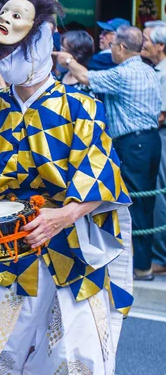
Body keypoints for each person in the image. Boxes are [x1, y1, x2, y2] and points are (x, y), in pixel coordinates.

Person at [0, 0, 133, 375]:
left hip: (69, 253)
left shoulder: (80, 107)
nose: (3, 57)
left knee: (74, 363)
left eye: (14, 48)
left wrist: (64, 215)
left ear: (40, 45)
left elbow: (104, 176)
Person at [55, 25, 162, 281]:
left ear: (122, 48)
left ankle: (139, 266)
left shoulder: (124, 74)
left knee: (134, 203)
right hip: (150, 140)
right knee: (146, 203)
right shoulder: (149, 71)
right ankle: (143, 264)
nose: (111, 50)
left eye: (113, 46)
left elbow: (86, 78)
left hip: (131, 144)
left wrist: (67, 59)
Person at [140, 21, 166, 275]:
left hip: (161, 136)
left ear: (161, 45)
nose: (143, 43)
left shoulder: (164, 73)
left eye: (147, 39)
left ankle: (160, 257)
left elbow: (161, 115)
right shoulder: (155, 69)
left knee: (159, 194)